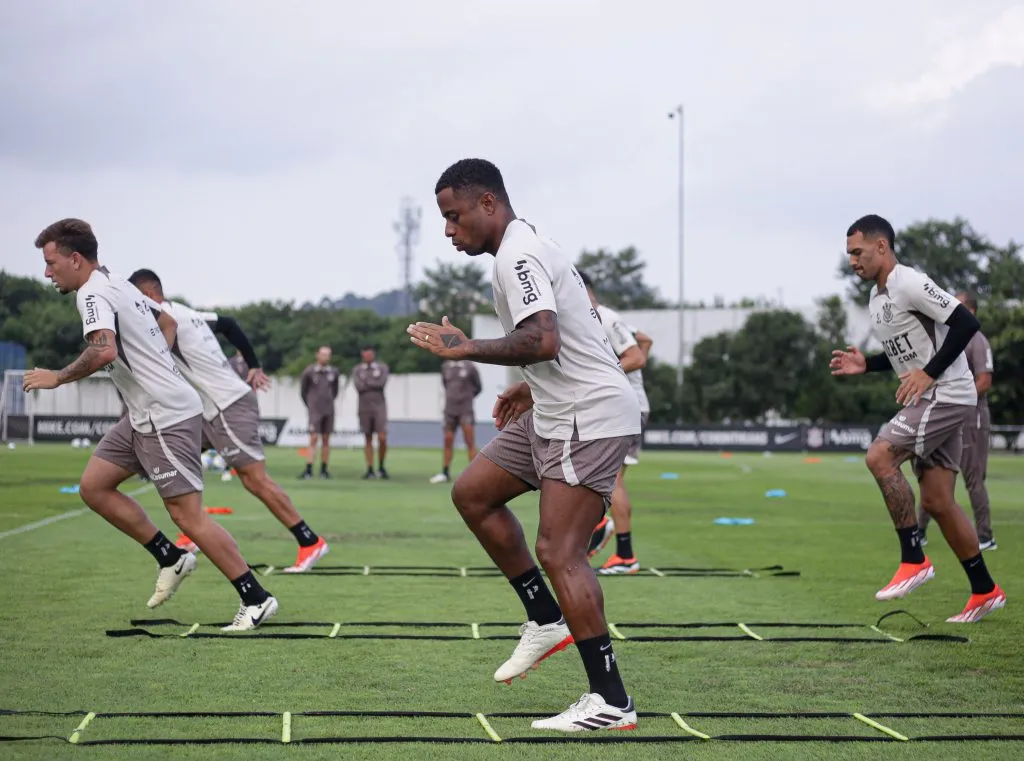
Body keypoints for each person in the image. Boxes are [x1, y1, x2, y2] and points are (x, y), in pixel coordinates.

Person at [408, 158, 641, 732]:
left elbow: (542, 337)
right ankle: (544, 617)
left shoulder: (517, 254)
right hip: (557, 408)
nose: (447, 229)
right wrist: (528, 388)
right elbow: (563, 344)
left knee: (560, 551)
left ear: (488, 203)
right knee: (472, 492)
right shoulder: (523, 247)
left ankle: (610, 700)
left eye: (453, 215)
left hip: (585, 416)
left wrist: (466, 349)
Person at [24, 218, 277, 631]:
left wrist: (58, 376)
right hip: (145, 413)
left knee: (188, 516)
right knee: (94, 486)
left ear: (75, 258)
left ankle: (257, 598)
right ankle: (170, 557)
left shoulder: (92, 292)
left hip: (165, 414)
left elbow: (102, 352)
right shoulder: (117, 281)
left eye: (50, 263)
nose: (47, 273)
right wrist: (157, 360)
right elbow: (169, 322)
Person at [830, 214, 1005, 623]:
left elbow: (966, 322)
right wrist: (868, 365)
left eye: (857, 252)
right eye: (849, 255)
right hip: (933, 394)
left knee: (880, 457)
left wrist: (930, 374)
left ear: (881, 247)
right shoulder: (878, 297)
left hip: (946, 394)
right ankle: (985, 589)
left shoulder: (909, 281)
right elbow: (907, 354)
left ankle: (914, 558)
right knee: (939, 501)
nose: (853, 260)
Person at [128, 269, 330, 573]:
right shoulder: (189, 312)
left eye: (136, 301)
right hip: (209, 411)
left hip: (228, 406)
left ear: (148, 295)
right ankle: (192, 531)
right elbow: (229, 324)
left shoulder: (167, 317)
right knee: (176, 460)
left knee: (255, 480)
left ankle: (309, 541)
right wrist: (254, 365)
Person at [578, 271, 652, 574]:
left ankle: (625, 555)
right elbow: (646, 340)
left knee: (614, 481)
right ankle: (599, 526)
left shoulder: (604, 317)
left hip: (627, 410)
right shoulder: (596, 317)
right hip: (617, 407)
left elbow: (637, 356)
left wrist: (610, 377)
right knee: (601, 476)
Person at [918, 291, 996, 552]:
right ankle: (919, 532)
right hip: (947, 414)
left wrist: (957, 399)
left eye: (958, 305)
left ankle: (985, 536)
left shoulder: (977, 341)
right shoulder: (948, 339)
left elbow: (984, 381)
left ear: (970, 311)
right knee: (934, 471)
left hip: (972, 416)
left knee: (973, 478)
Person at [429, 359, 483, 483]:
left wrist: (466, 397)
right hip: (449, 410)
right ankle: (445, 472)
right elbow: (445, 385)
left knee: (469, 441)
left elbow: (478, 387)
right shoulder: (446, 366)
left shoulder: (470, 367)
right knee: (448, 440)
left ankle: (476, 474)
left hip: (465, 410)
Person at [299, 346, 339, 479]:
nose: (325, 357)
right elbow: (303, 391)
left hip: (329, 410)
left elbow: (335, 391)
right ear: (317, 355)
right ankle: (309, 468)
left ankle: (324, 469)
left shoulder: (333, 372)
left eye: (328, 355)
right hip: (315, 411)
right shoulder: (309, 372)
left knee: (326, 439)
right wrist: (311, 404)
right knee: (314, 438)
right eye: (323, 354)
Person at [353, 344, 390, 479]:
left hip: (379, 407)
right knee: (367, 437)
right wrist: (371, 383)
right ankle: (369, 468)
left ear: (373, 354)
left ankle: (381, 466)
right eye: (365, 353)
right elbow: (358, 386)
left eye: (370, 353)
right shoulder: (357, 369)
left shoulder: (382, 367)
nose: (367, 356)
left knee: (382, 437)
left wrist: (367, 382)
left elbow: (381, 383)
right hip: (364, 408)